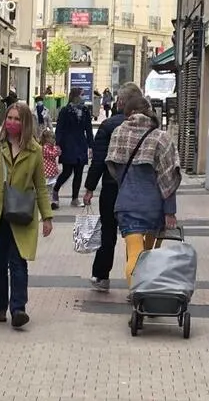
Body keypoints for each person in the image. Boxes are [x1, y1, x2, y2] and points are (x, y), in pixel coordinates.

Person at [0, 103, 54, 329]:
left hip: (21, 214)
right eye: (9, 118)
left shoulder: (35, 150)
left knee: (18, 261)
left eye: (17, 119)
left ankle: (18, 309)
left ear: (25, 123)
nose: (12, 123)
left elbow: (41, 186)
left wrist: (47, 217)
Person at [104, 93, 181, 288]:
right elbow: (168, 176)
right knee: (148, 254)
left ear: (128, 113)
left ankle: (136, 293)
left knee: (134, 252)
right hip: (154, 206)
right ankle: (146, 291)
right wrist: (170, 211)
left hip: (127, 204)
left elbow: (114, 169)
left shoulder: (118, 134)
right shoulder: (161, 138)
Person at [83, 82, 144, 291]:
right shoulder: (149, 126)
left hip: (112, 187)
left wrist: (90, 187)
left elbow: (99, 160)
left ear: (120, 102)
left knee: (108, 232)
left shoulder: (109, 126)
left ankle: (101, 276)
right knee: (135, 236)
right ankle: (136, 280)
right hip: (138, 190)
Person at [53, 87, 94, 207]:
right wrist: (57, 144)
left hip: (81, 143)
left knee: (79, 172)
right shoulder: (65, 110)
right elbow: (59, 128)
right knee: (67, 171)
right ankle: (55, 189)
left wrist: (91, 146)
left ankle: (75, 198)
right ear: (75, 96)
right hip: (68, 144)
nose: (83, 97)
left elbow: (89, 129)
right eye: (82, 95)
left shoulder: (85, 110)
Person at [39, 128, 60, 205]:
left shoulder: (51, 147)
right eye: (53, 138)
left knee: (50, 187)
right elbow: (52, 155)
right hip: (46, 171)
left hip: (51, 170)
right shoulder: (45, 147)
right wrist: (57, 151)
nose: (54, 140)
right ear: (47, 139)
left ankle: (50, 201)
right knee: (46, 186)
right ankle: (45, 201)